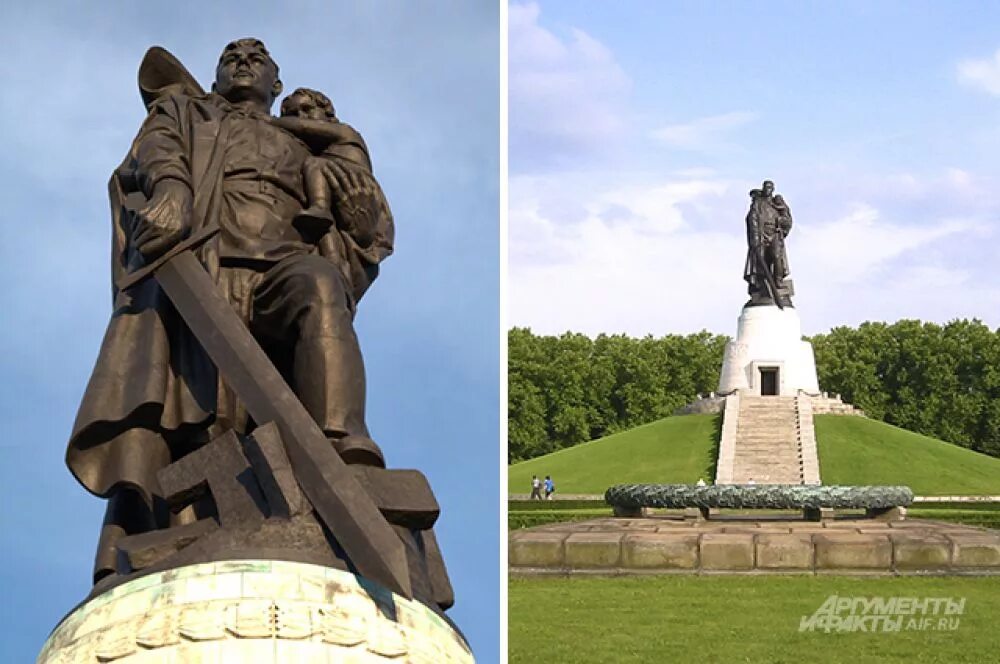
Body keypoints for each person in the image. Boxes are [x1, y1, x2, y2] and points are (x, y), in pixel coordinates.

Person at [66, 38, 394, 583]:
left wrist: (362, 226)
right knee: (196, 414)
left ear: (277, 84)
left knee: (321, 286)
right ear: (216, 77)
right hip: (205, 263)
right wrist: (172, 192)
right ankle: (190, 517)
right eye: (231, 57)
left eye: (257, 57)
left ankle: (340, 448)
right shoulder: (188, 111)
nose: (243, 62)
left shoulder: (311, 146)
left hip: (284, 264)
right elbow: (157, 148)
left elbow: (364, 219)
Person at [743, 179, 793, 307]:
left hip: (775, 234)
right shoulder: (758, 203)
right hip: (761, 236)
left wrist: (782, 221)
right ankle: (760, 287)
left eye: (770, 187)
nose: (768, 189)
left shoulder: (777, 203)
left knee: (777, 257)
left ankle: (778, 282)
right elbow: (752, 218)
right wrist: (754, 237)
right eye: (766, 187)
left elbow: (788, 220)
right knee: (760, 261)